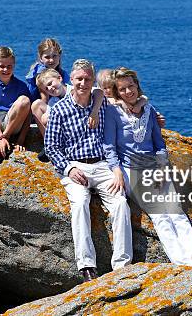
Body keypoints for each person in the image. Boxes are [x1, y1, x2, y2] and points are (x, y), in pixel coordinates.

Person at [103, 67, 192, 268]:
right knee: (160, 215)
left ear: (137, 86)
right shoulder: (113, 113)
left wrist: (161, 167)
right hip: (130, 170)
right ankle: (182, 263)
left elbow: (159, 144)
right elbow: (109, 146)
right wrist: (116, 170)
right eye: (122, 89)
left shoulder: (149, 110)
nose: (128, 91)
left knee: (177, 212)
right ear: (117, 92)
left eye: (131, 86)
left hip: (154, 166)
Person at [44, 59, 133, 282]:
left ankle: (122, 265)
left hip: (103, 165)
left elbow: (122, 98)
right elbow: (51, 147)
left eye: (87, 79)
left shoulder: (100, 103)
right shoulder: (59, 110)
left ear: (93, 81)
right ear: (70, 80)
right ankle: (86, 266)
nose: (83, 83)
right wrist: (68, 168)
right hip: (76, 166)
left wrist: (116, 169)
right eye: (79, 79)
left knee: (121, 203)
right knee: (80, 204)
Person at [33, 68, 104, 162]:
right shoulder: (53, 101)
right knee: (40, 111)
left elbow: (98, 92)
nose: (50, 88)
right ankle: (50, 145)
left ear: (60, 78)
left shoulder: (74, 90)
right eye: (46, 88)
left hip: (84, 126)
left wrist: (94, 112)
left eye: (50, 83)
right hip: (66, 131)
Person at [97, 69, 166, 128]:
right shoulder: (102, 99)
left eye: (110, 87)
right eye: (105, 88)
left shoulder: (125, 97)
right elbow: (110, 100)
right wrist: (122, 102)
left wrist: (139, 104)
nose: (108, 90)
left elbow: (144, 97)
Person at [26, 38, 69, 102]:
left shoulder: (61, 73)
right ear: (41, 58)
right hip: (37, 104)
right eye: (47, 57)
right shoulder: (41, 72)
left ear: (59, 55)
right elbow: (44, 98)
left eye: (54, 56)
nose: (51, 60)